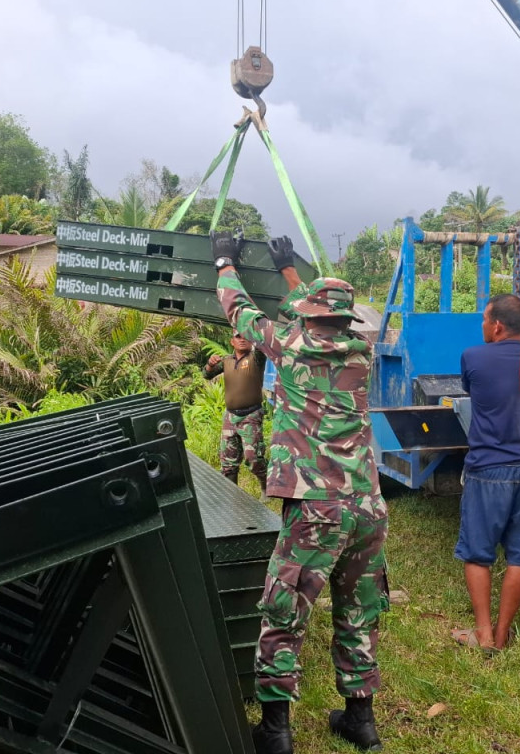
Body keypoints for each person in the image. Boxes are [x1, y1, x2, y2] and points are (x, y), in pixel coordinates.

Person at [211, 231, 389, 754]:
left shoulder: (287, 344)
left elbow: (238, 310)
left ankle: (275, 731)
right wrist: (289, 268)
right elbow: (309, 309)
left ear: (308, 315)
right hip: (367, 507)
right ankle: (361, 721)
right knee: (358, 610)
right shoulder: (363, 352)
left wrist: (225, 261)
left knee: (283, 613)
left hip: (317, 508)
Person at [453, 293, 520, 653]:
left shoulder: (473, 357)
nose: (482, 325)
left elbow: (473, 392)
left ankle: (482, 635)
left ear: (497, 326)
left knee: (478, 552)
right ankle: (502, 634)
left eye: (484, 319)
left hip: (489, 468)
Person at [202, 330, 268, 495]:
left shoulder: (256, 359)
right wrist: (210, 363)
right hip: (230, 416)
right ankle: (232, 494)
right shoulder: (227, 361)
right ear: (232, 341)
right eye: (238, 336)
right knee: (228, 460)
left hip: (251, 415)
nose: (242, 339)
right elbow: (206, 375)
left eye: (246, 336)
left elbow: (263, 341)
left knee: (254, 459)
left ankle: (266, 488)